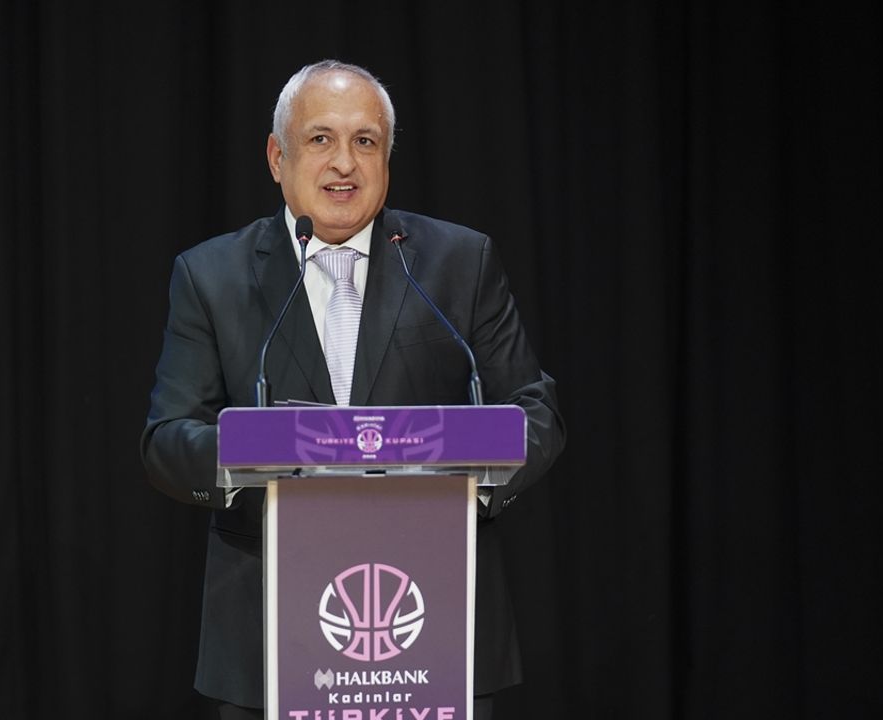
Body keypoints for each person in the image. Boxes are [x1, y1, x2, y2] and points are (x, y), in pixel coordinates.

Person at [141, 59, 565, 720]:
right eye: (321, 139)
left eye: (365, 141)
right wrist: (250, 449)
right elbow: (168, 439)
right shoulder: (211, 276)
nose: (345, 162)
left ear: (386, 159)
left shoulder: (458, 262)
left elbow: (535, 414)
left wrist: (469, 486)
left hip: (435, 623)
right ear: (277, 157)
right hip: (266, 637)